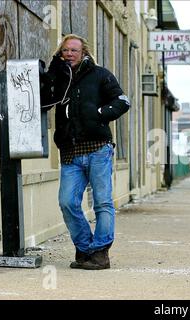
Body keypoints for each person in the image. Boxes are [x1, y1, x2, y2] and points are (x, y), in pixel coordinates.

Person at [41, 34, 130, 270]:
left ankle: (100, 253)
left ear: (84, 53)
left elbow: (123, 101)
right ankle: (85, 248)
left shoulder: (100, 74)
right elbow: (43, 101)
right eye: (65, 51)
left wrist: (99, 114)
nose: (69, 54)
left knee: (102, 202)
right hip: (70, 151)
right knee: (67, 202)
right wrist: (51, 73)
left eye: (74, 50)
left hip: (98, 149)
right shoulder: (60, 77)